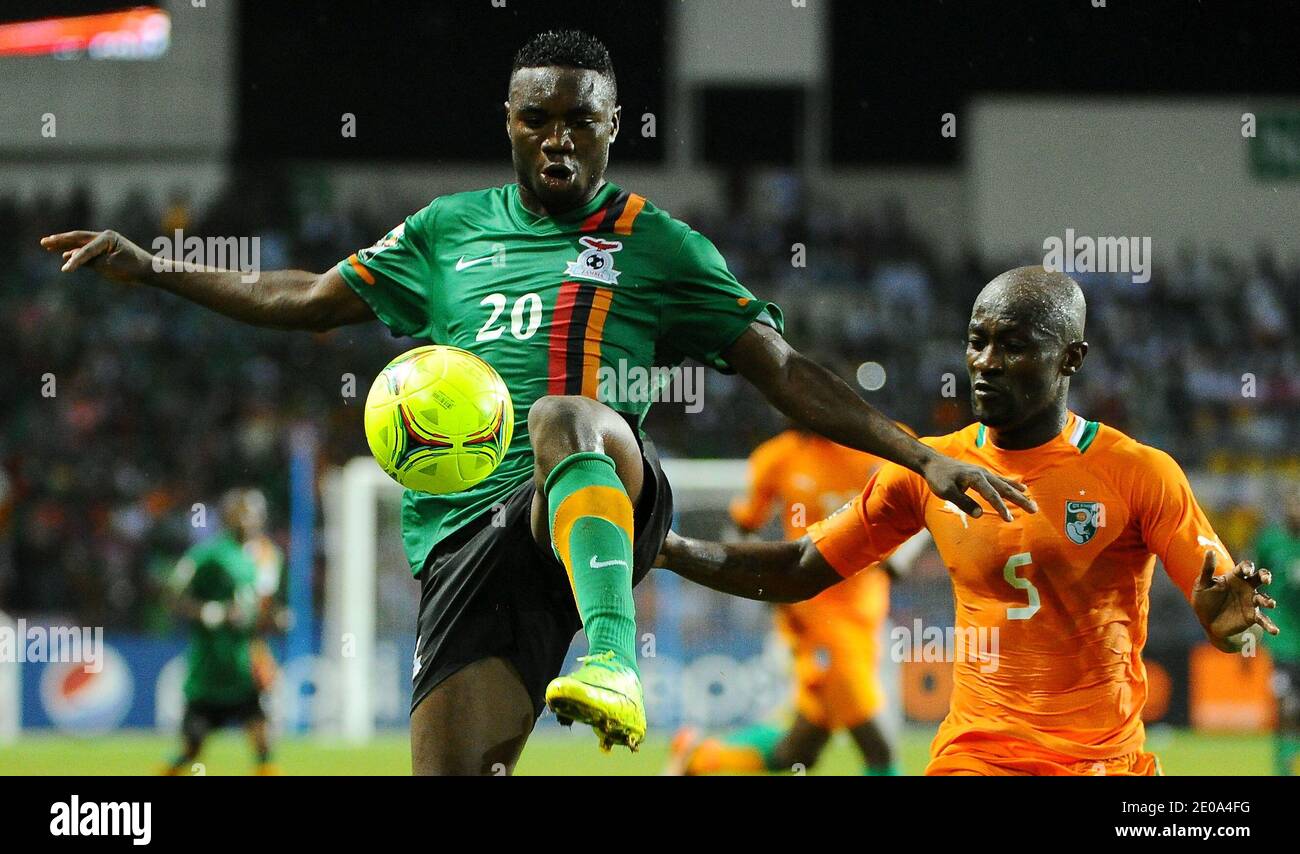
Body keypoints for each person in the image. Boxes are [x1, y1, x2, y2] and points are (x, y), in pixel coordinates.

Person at [41, 31, 1031, 775]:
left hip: (599, 484)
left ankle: (611, 654)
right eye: (536, 120)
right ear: (509, 122)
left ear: (612, 129)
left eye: (580, 123)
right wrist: (158, 267)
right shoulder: (446, 230)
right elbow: (304, 300)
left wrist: (919, 453)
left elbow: (782, 368)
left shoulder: (658, 243)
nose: (557, 142)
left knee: (563, 414)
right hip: (468, 538)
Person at [659, 266, 1280, 775]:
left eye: (1013, 346)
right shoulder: (931, 468)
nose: (985, 361)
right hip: (977, 757)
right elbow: (800, 566)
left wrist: (1231, 630)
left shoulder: (1138, 472)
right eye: (978, 341)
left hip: (1105, 763)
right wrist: (669, 548)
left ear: (1071, 358)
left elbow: (1225, 606)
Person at [668, 425, 926, 776]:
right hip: (816, 619)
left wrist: (904, 554)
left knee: (800, 751)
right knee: (877, 743)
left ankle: (699, 759)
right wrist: (771, 586)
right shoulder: (778, 457)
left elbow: (927, 503)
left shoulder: (885, 443)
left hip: (865, 616)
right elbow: (742, 528)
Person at [163, 489, 286, 776]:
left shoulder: (268, 556)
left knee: (263, 745)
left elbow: (264, 609)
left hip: (243, 670)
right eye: (245, 512)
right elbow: (171, 596)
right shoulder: (208, 554)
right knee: (191, 749)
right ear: (229, 515)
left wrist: (277, 618)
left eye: (257, 512)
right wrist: (210, 612)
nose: (252, 519)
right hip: (208, 672)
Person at [1251, 487, 1300, 775]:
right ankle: (1283, 764)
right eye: (1291, 503)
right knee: (1285, 705)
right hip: (1282, 640)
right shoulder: (1271, 542)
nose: (1295, 510)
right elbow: (1251, 582)